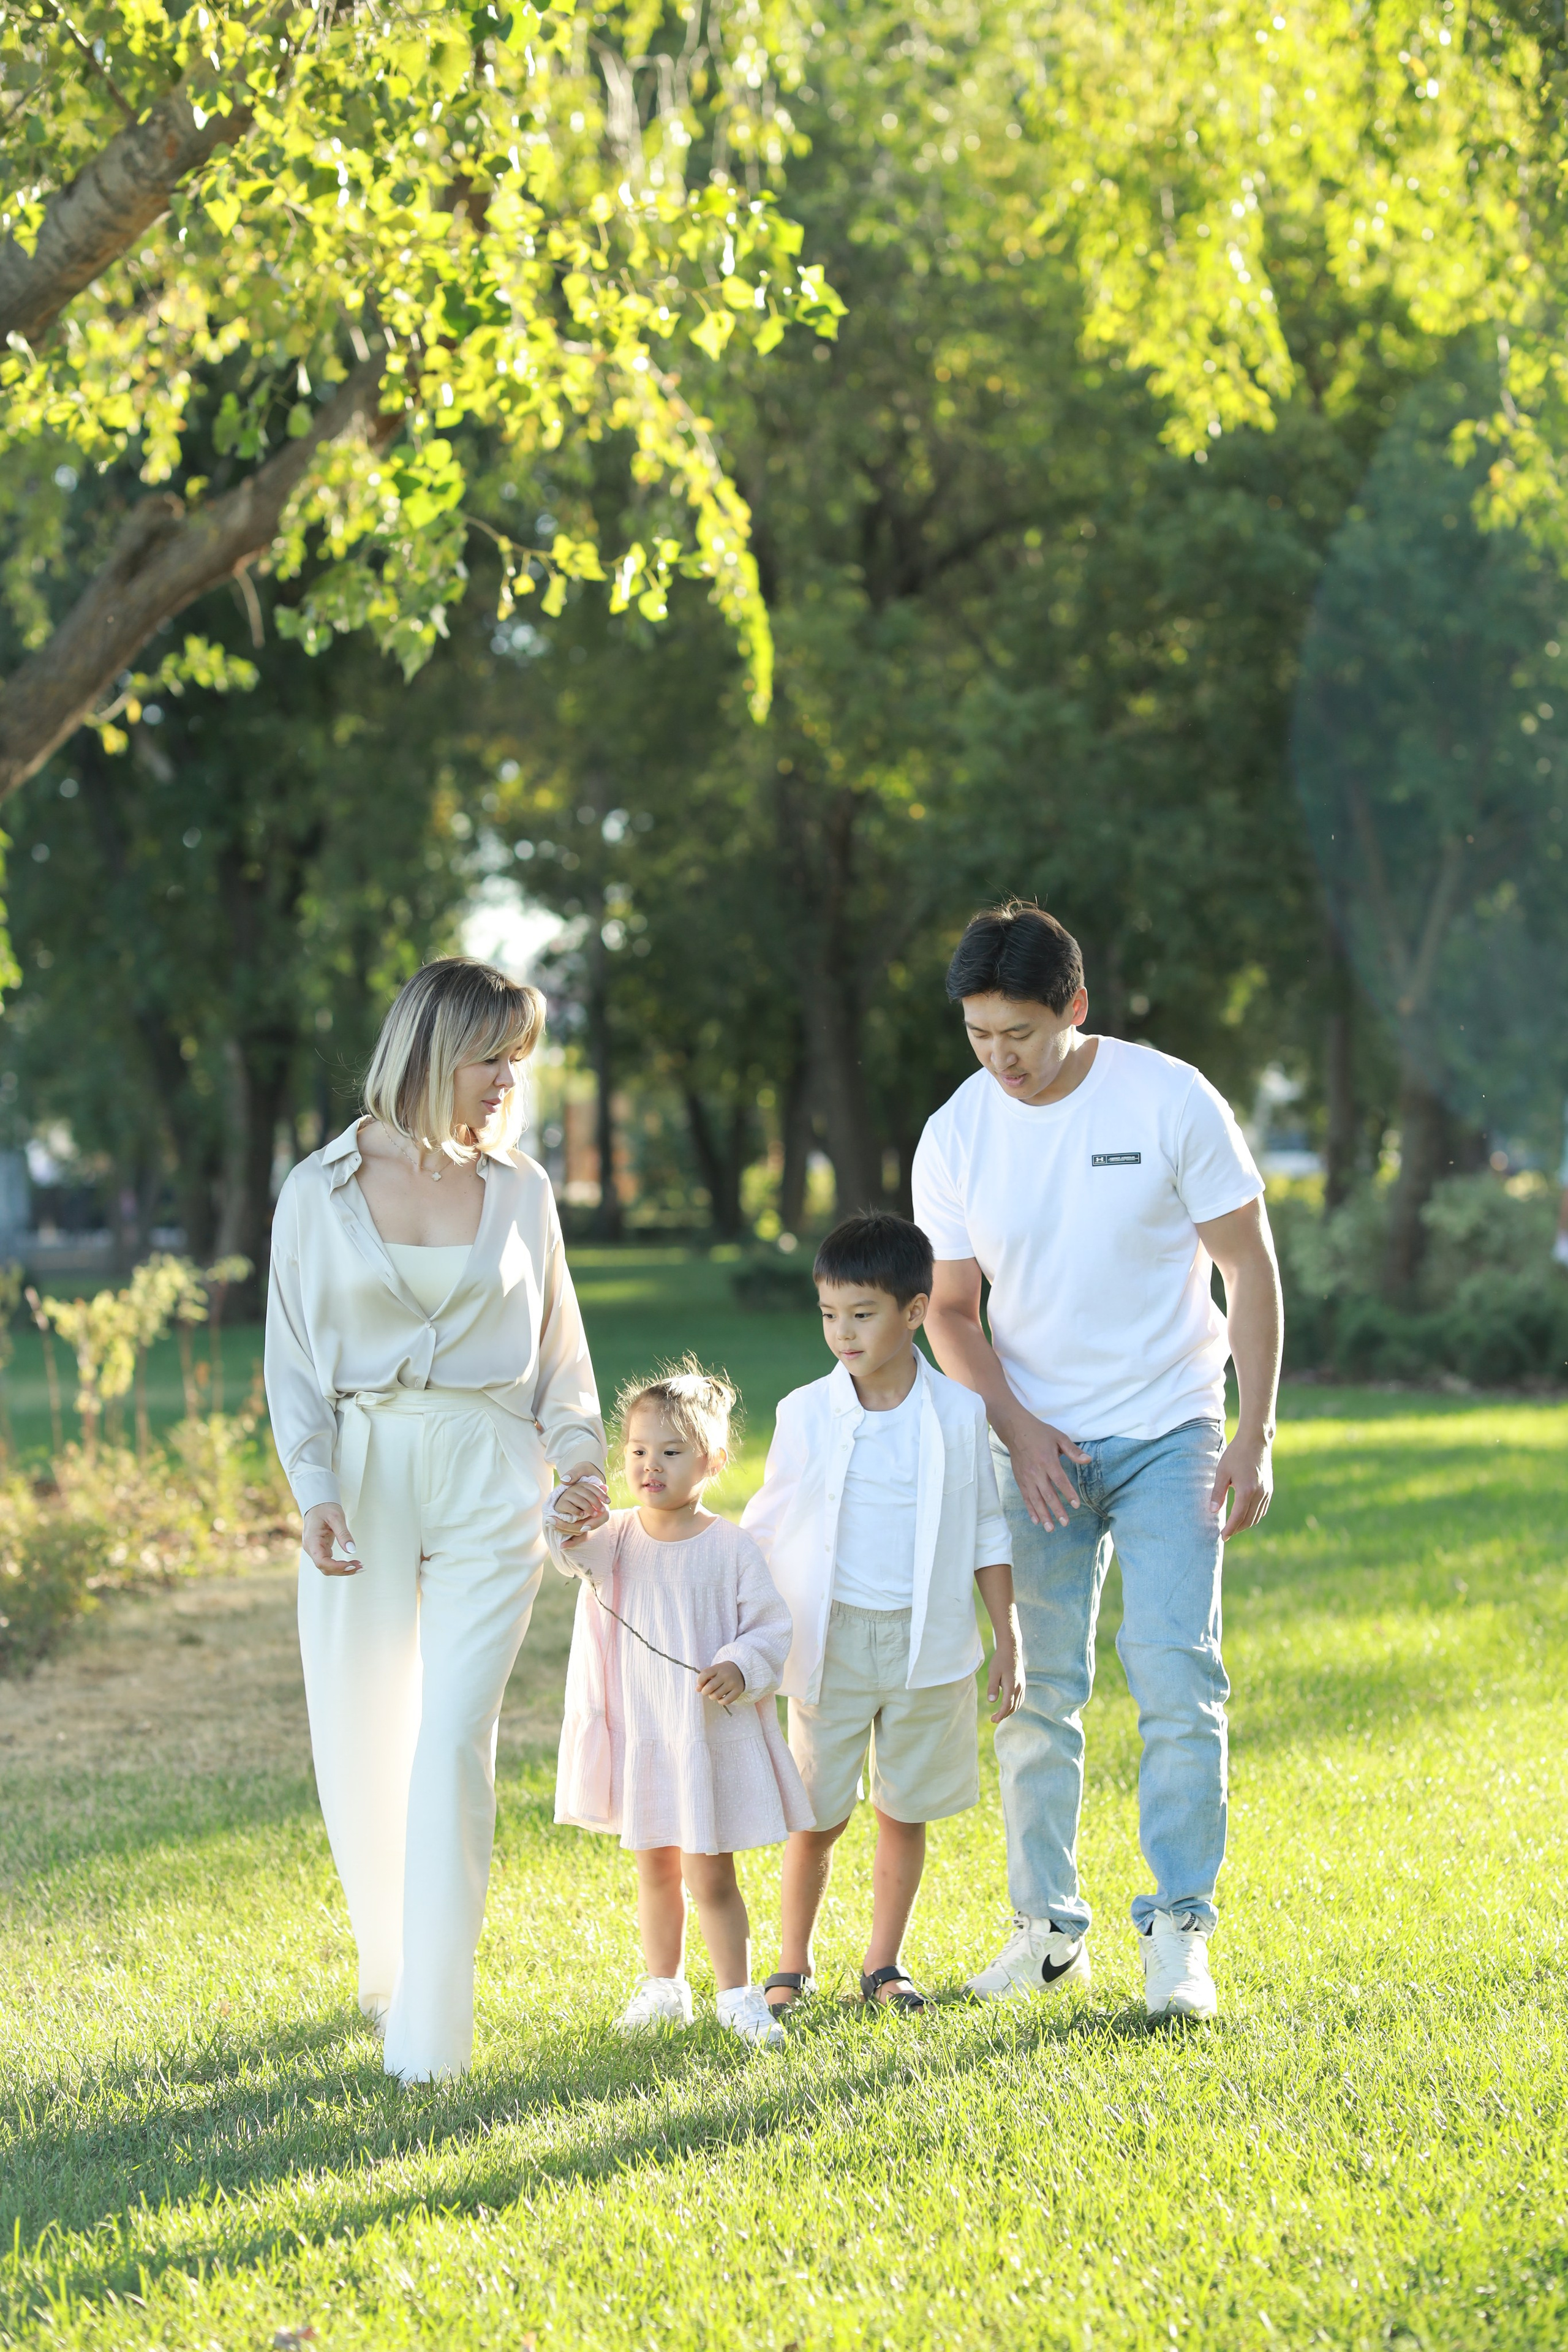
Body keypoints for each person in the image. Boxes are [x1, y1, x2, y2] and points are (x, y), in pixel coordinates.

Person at [913, 903, 1282, 2023]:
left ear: (1074, 1005)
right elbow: (950, 1312)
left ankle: (1179, 1931)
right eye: (979, 1034)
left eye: (1020, 1032)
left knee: (1178, 1677)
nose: (1001, 1058)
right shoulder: (957, 1133)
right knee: (1035, 1694)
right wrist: (1018, 1428)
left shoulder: (1169, 1098)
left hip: (1172, 1427)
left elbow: (1249, 1269)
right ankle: (1047, 1935)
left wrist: (1255, 1430)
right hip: (1037, 1442)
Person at [265, 957, 608, 2084]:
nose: (510, 1079)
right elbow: (292, 1364)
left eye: (519, 1058)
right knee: (362, 1732)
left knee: (455, 1735)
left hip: (489, 1474)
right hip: (362, 1472)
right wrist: (314, 1491)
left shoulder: (523, 1191)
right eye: (489, 1057)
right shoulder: (317, 1190)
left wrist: (579, 1462)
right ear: (429, 1053)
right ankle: (388, 1966)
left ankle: (431, 2033)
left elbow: (561, 1353)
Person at [742, 1211, 1023, 2018]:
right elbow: (765, 1525)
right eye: (829, 1313)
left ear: (914, 1311)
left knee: (905, 1810)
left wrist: (1006, 1633)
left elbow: (986, 1528)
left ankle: (883, 1964)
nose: (843, 1332)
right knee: (816, 1814)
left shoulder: (959, 1413)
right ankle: (791, 1964)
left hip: (928, 1643)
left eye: (862, 1314)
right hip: (829, 1639)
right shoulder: (804, 1413)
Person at [551, 1361, 812, 2049]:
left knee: (710, 1872)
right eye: (638, 1451)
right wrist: (566, 1516)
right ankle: (663, 1988)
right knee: (654, 1868)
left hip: (701, 1735)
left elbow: (770, 1626)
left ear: (712, 1461)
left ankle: (737, 1995)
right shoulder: (615, 1538)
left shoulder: (730, 1547)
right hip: (642, 1728)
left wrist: (739, 1663)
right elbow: (564, 1552)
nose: (650, 1466)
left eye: (671, 1452)